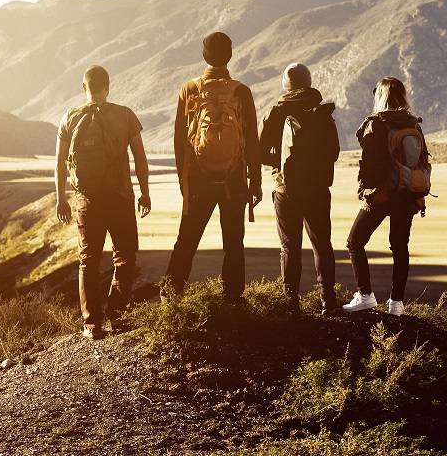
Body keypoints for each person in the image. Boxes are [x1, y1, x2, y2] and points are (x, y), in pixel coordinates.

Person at [163, 32, 262, 302]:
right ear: (229, 55)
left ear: (204, 55)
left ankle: (170, 298)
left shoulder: (190, 89)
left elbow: (179, 140)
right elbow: (252, 140)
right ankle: (232, 300)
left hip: (197, 180)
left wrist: (184, 182)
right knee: (233, 244)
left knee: (186, 242)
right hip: (234, 180)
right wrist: (256, 182)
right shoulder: (241, 92)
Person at [55, 65, 152, 340]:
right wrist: (144, 193)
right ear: (108, 87)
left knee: (88, 261)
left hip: (87, 201)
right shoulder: (125, 115)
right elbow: (140, 158)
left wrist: (62, 199)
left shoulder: (69, 118)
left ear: (83, 87)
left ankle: (92, 325)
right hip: (120, 198)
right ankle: (119, 317)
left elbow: (60, 164)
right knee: (124, 257)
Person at [258, 63, 340, 315]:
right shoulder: (322, 112)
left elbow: (260, 152)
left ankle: (290, 301)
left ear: (286, 84)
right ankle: (329, 301)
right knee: (322, 245)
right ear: (309, 81)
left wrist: (280, 168)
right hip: (317, 190)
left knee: (290, 247)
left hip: (286, 189)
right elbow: (334, 153)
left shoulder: (276, 112)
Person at [343, 76, 425, 316]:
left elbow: (367, 165)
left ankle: (365, 295)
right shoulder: (414, 124)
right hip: (408, 193)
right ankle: (396, 303)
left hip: (381, 195)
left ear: (381, 96)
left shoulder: (376, 124)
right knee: (400, 247)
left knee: (354, 242)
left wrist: (363, 189)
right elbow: (423, 160)